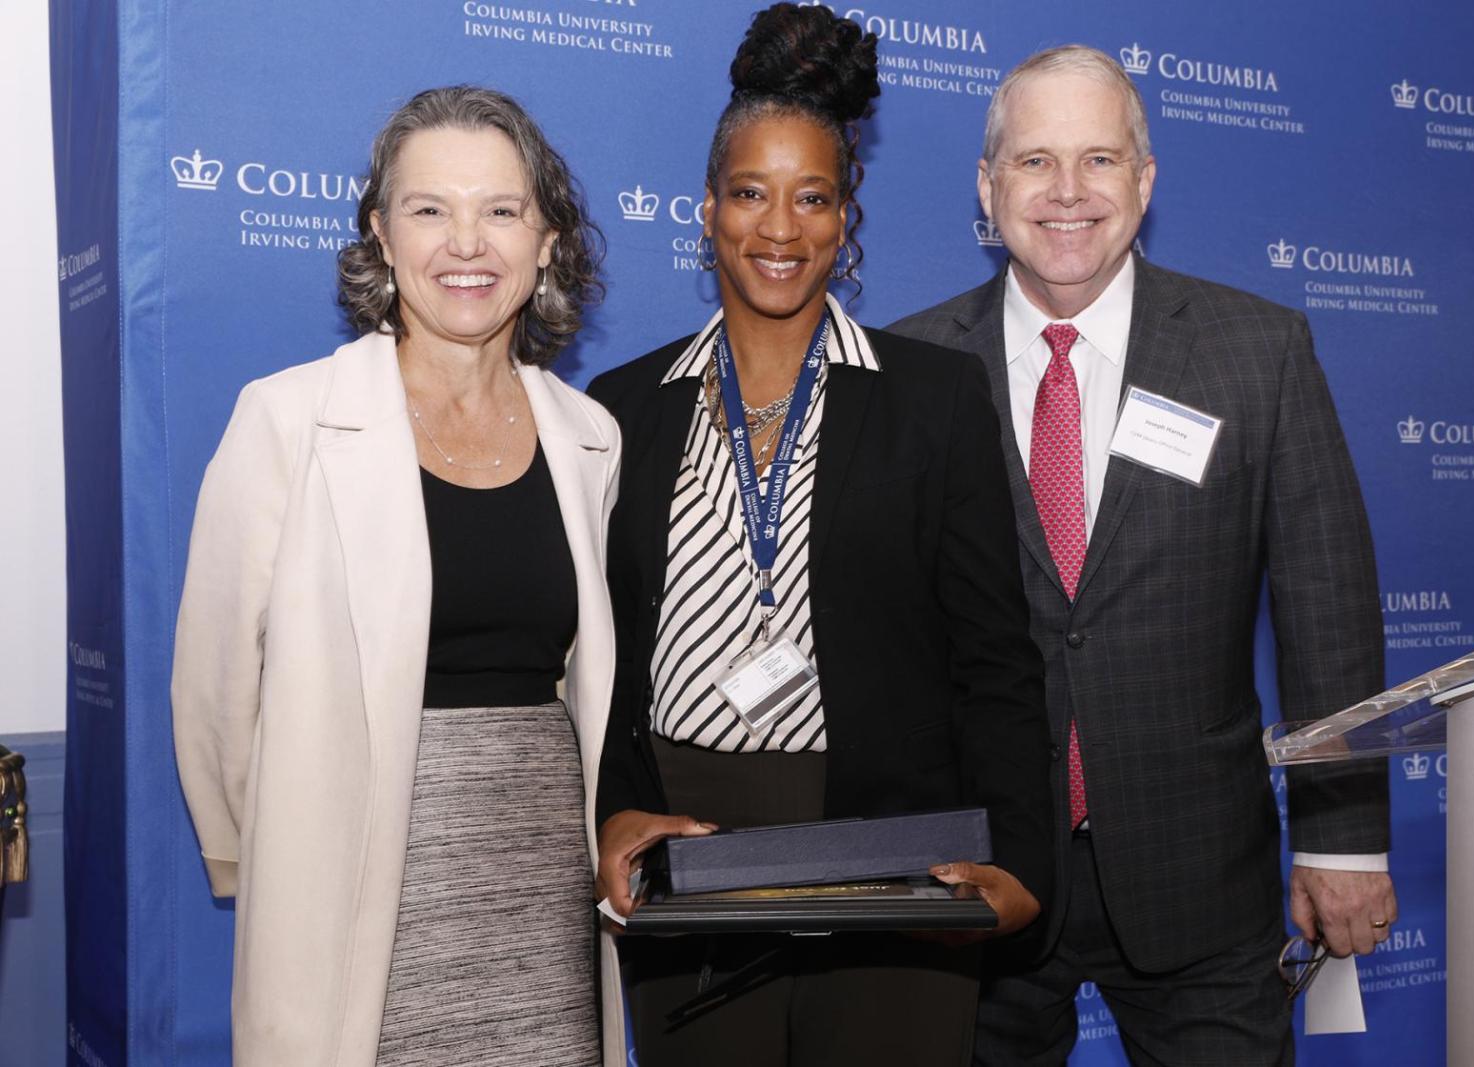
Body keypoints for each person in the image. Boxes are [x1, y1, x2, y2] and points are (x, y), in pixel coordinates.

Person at [891, 45, 1396, 1067]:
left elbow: (1327, 610)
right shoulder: (909, 369)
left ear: (1145, 180)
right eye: (1033, 162)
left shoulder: (1259, 350)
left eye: (1099, 160)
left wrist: (1341, 838)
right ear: (987, 189)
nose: (1067, 192)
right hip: (976, 886)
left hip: (1201, 879)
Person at [587, 5, 1053, 1064]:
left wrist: (1021, 858)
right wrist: (615, 812)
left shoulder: (933, 398)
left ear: (846, 219)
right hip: (687, 852)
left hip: (890, 850)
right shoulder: (619, 409)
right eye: (750, 192)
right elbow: (600, 658)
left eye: (812, 197)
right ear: (706, 209)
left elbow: (996, 657)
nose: (779, 228)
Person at [171, 86, 624, 1066]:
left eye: (501, 210)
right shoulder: (287, 420)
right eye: (430, 209)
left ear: (547, 239)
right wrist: (272, 852)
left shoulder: (591, 437)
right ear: (380, 233)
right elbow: (212, 682)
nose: (468, 243)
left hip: (545, 890)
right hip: (344, 875)